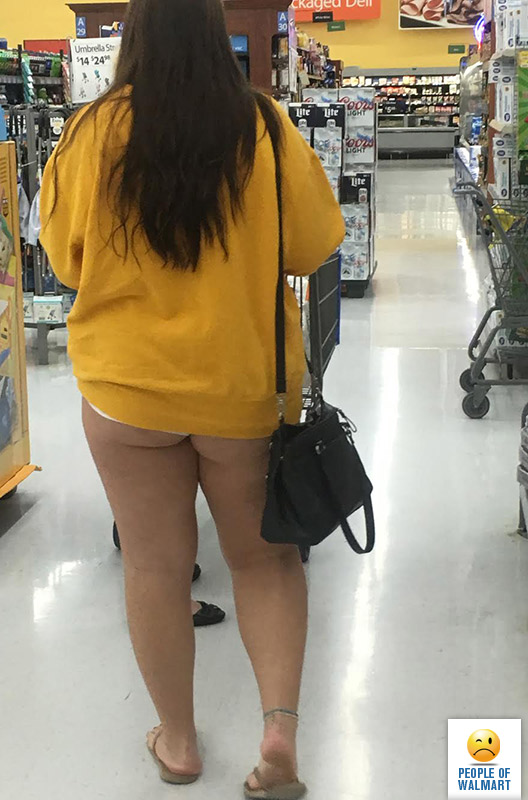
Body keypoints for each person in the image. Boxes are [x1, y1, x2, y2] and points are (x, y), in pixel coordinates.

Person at [40, 0, 344, 795]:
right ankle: (277, 735)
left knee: (155, 567)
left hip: (126, 391)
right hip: (242, 389)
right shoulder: (266, 127)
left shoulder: (90, 132)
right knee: (266, 560)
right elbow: (314, 247)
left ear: (133, 36)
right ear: (217, 35)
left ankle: (177, 742)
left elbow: (65, 261)